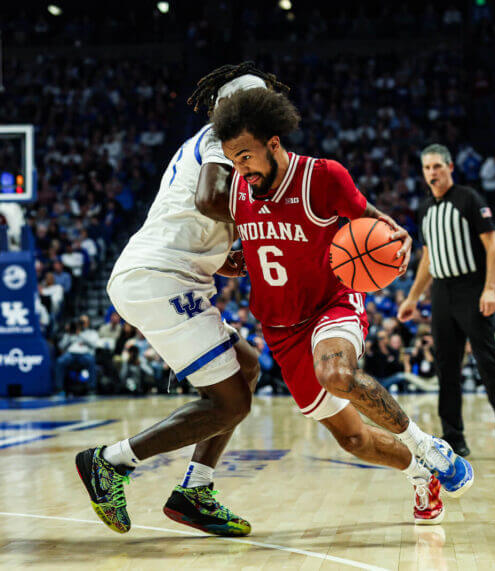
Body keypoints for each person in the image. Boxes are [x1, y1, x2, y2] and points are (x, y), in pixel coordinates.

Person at [206, 84, 473, 524]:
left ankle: (428, 445)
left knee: (337, 374)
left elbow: (373, 223)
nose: (241, 167)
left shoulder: (323, 177)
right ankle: (419, 474)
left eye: (247, 156)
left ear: (274, 143)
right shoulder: (238, 189)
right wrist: (229, 262)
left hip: (332, 302)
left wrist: (398, 239)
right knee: (352, 441)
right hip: (280, 327)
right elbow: (248, 255)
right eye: (234, 159)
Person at [75, 64, 271, 538]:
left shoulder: (221, 147)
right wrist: (266, 214)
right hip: (159, 278)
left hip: (169, 275)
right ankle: (110, 462)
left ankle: (194, 491)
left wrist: (226, 255)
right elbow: (208, 199)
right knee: (230, 402)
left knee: (245, 368)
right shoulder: (219, 140)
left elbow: (198, 214)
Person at [397, 144, 495, 460]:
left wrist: (490, 288)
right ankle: (454, 437)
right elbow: (428, 257)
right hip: (441, 292)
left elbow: (493, 246)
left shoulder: (469, 198)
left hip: (472, 288)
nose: (432, 173)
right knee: (446, 367)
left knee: (488, 363)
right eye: (427, 168)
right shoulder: (425, 208)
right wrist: (413, 297)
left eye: (438, 166)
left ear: (450, 167)